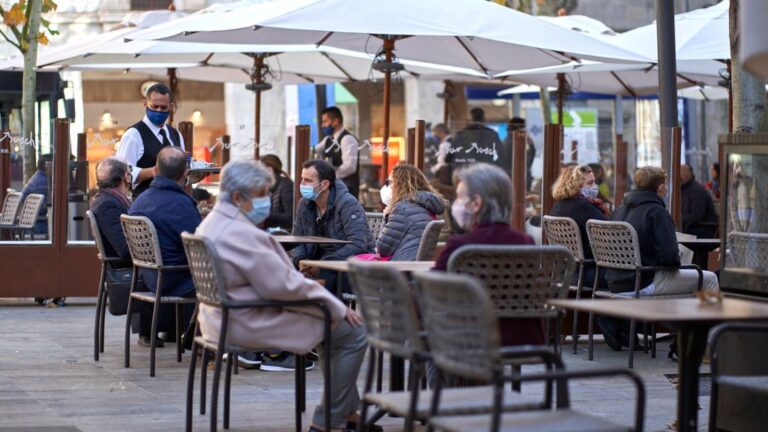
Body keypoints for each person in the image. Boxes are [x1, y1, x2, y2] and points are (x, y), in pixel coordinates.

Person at [195, 159, 367, 432]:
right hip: (247, 317)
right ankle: (329, 421)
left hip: (220, 316)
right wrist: (337, 307)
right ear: (238, 197)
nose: (267, 201)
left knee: (333, 331)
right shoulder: (240, 232)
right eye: (262, 194)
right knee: (353, 331)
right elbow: (286, 287)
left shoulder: (211, 224)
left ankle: (346, 411)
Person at [434, 163, 542, 347]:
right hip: (520, 339)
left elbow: (433, 293)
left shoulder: (461, 247)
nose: (455, 204)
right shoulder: (526, 244)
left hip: (467, 337)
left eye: (460, 197)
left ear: (476, 203)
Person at [129, 146, 200, 338]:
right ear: (185, 173)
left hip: (150, 278)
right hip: (176, 279)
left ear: (156, 170)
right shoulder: (181, 204)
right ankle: (218, 343)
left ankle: (194, 337)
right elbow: (199, 248)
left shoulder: (140, 201)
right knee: (232, 278)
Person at [91, 156, 159, 346]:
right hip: (125, 272)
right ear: (126, 177)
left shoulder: (107, 200)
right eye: (129, 172)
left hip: (128, 266)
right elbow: (123, 249)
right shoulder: (107, 205)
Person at [291, 159, 374, 294]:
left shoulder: (347, 204)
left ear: (324, 185)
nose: (302, 184)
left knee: (326, 275)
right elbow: (297, 238)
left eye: (308, 180)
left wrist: (324, 263)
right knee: (283, 268)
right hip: (318, 261)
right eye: (301, 179)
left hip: (347, 264)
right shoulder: (304, 204)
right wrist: (301, 260)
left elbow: (359, 244)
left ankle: (328, 312)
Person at [116, 83, 185, 199]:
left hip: (174, 200)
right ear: (145, 103)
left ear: (171, 107)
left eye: (163, 108)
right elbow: (122, 173)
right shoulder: (133, 135)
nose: (159, 111)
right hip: (145, 203)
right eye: (154, 106)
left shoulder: (176, 135)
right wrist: (153, 171)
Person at [550, 164, 609, 288]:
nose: (595, 187)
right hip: (589, 273)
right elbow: (609, 239)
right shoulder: (584, 207)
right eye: (590, 183)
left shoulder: (558, 207)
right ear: (575, 184)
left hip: (564, 273)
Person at [376, 163, 445, 261]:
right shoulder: (425, 205)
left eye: (389, 182)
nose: (386, 186)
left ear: (399, 184)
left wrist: (387, 216)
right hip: (414, 263)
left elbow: (382, 248)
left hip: (401, 265)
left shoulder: (403, 209)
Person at [314, 106, 360, 200]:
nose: (322, 125)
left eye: (325, 121)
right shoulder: (328, 139)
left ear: (335, 121)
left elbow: (350, 167)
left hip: (347, 192)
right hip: (333, 191)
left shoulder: (347, 139)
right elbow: (315, 150)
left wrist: (329, 176)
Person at [680, 163, 718, 239]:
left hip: (702, 230)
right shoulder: (684, 189)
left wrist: (679, 219)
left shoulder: (696, 190)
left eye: (681, 173)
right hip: (692, 228)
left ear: (686, 175)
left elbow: (696, 217)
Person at [260, 154, 294, 232]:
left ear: (269, 169)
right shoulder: (271, 186)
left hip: (285, 234)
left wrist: (266, 214)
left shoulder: (286, 185)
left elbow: (291, 217)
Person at [499, 117, 536, 189]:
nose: (525, 132)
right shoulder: (515, 143)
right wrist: (531, 146)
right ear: (518, 129)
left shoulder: (507, 141)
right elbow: (526, 163)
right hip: (517, 182)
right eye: (523, 129)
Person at [20, 156, 50, 238]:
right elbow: (51, 204)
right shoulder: (45, 182)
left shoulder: (35, 177)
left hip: (28, 223)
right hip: (40, 225)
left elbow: (22, 196)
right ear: (46, 166)